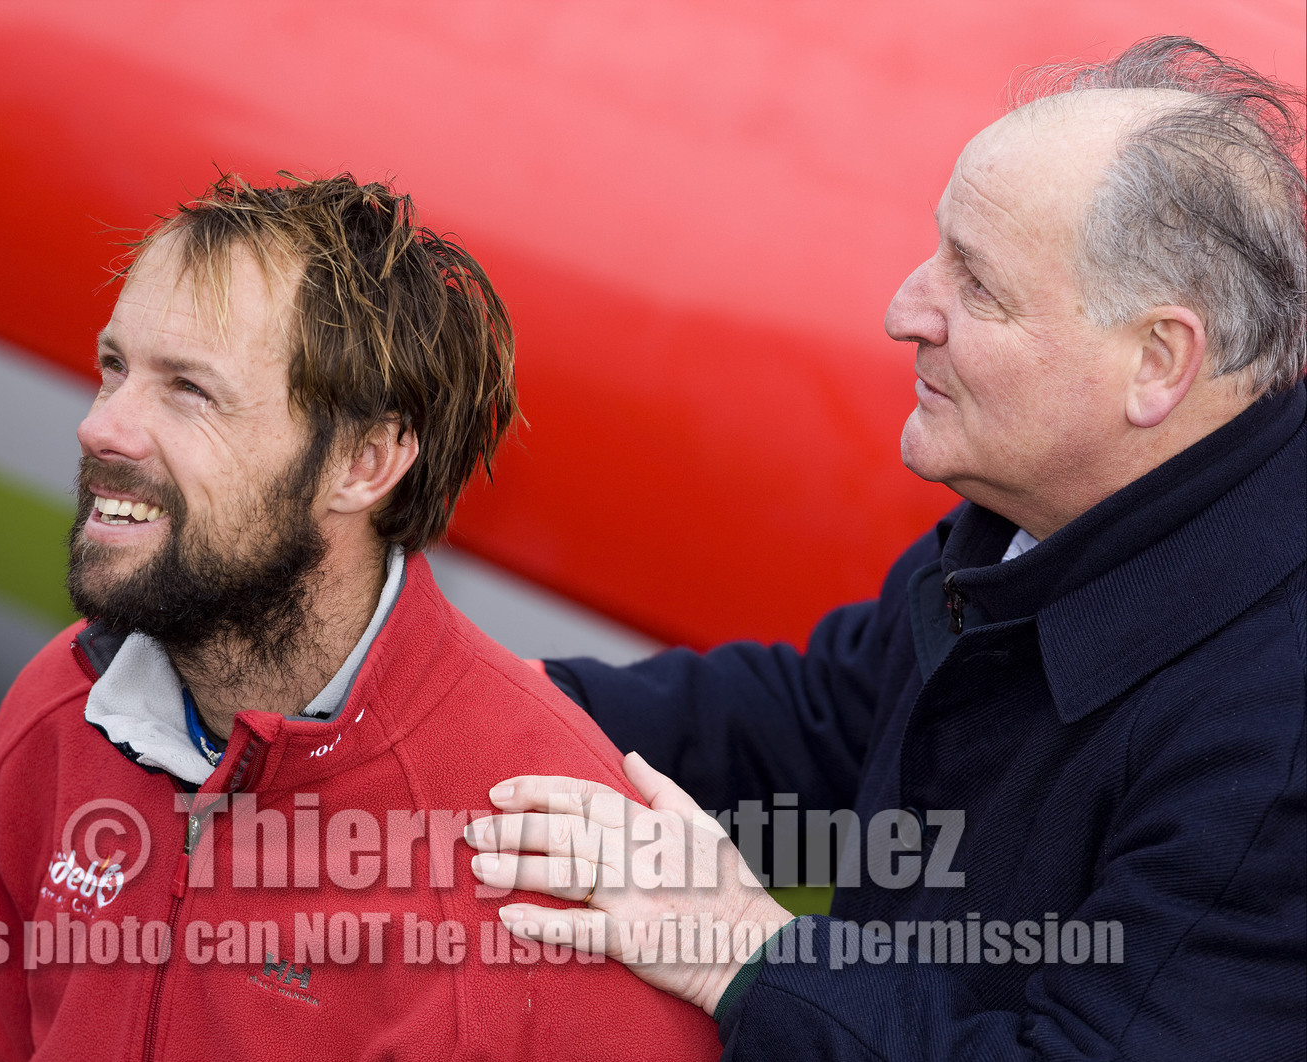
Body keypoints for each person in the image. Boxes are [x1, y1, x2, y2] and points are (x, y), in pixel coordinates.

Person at [465, 37, 1306, 1060]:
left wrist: (745, 951)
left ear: (1158, 363)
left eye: (978, 285)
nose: (904, 310)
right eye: (938, 251)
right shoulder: (1052, 516)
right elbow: (830, 722)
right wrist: (492, 701)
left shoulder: (1272, 744)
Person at [0, 175, 719, 1060]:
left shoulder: (543, 879)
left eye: (189, 389)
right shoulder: (59, 707)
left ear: (364, 463)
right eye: (114, 367)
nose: (102, 427)